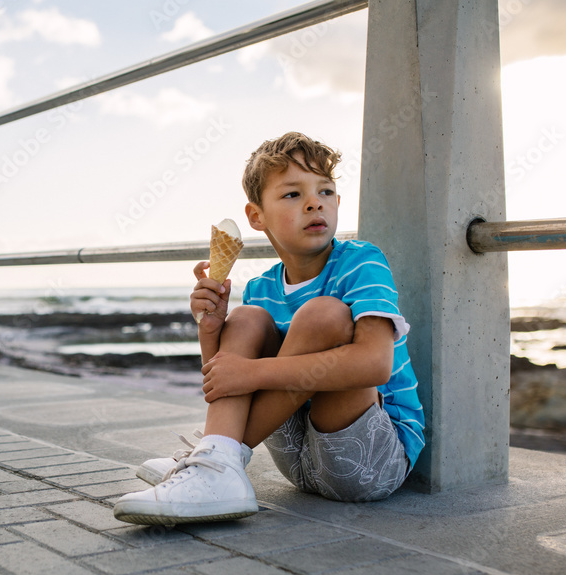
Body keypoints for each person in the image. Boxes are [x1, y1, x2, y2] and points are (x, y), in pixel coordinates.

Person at [113, 132, 425, 525]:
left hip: (368, 464)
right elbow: (229, 382)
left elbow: (375, 365)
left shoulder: (362, 262)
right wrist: (210, 329)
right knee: (246, 318)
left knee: (323, 315)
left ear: (338, 203)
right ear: (256, 216)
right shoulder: (261, 288)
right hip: (295, 460)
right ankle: (220, 462)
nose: (315, 202)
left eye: (325, 191)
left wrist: (253, 371)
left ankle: (216, 460)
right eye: (293, 194)